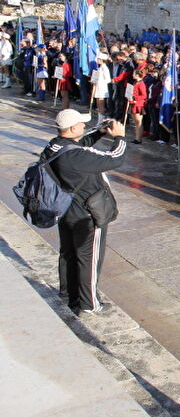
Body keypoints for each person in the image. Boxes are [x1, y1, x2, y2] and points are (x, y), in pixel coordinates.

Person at [43, 109, 127, 314]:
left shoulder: (55, 145)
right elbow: (114, 159)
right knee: (88, 258)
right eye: (81, 124)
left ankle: (68, 293)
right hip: (87, 213)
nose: (84, 126)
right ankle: (90, 304)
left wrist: (99, 133)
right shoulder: (74, 156)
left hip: (66, 209)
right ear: (72, 128)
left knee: (69, 254)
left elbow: (80, 146)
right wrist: (120, 137)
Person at [129, 69, 148, 144]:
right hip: (134, 103)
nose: (132, 75)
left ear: (137, 75)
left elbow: (144, 95)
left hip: (138, 104)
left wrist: (135, 98)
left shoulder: (141, 83)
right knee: (136, 123)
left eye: (133, 74)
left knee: (138, 122)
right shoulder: (136, 82)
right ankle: (137, 137)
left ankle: (139, 139)